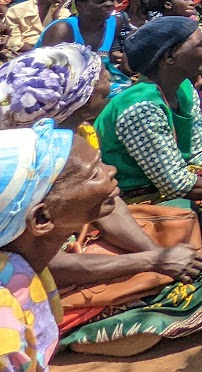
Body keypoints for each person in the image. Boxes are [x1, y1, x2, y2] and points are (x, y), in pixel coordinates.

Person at [0, 45, 202, 353]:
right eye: (102, 82)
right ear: (75, 100)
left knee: (179, 225)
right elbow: (34, 257)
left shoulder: (76, 137)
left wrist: (160, 258)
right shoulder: (18, 164)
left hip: (61, 238)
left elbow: (109, 204)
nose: (113, 85)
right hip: (40, 261)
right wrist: (150, 261)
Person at [0, 119, 122, 371]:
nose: (111, 170)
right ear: (42, 218)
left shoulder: (23, 269)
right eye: (94, 173)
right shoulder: (4, 320)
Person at [93, 17, 202, 203]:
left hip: (164, 186)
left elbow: (199, 151)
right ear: (169, 57)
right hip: (132, 197)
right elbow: (176, 185)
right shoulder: (141, 107)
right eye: (200, 44)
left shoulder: (184, 87)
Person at [0, 0, 70, 60]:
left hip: (52, 55)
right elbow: (13, 42)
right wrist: (39, 52)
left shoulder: (64, 13)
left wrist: (56, 13)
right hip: (20, 56)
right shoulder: (18, 11)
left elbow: (59, 40)